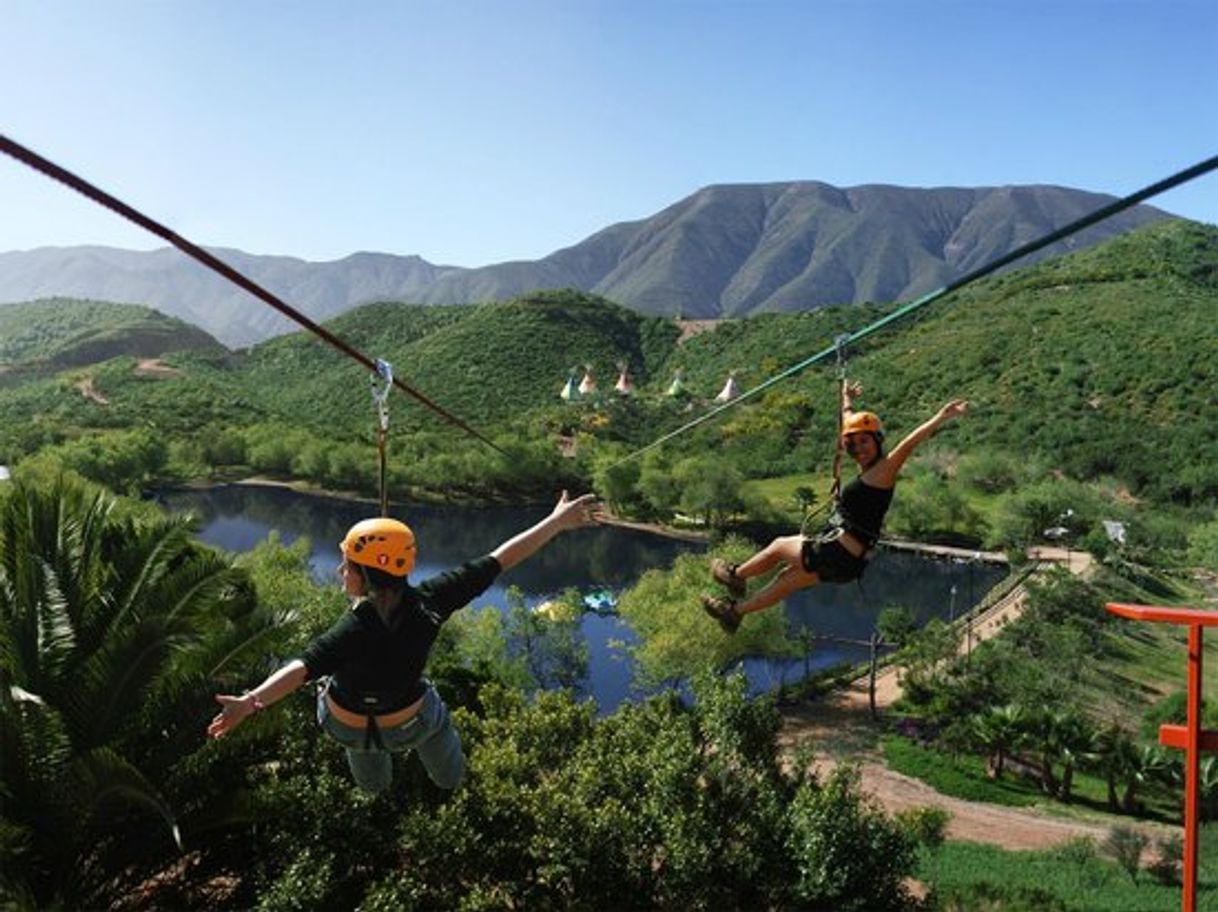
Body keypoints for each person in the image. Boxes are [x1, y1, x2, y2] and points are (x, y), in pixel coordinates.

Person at [207, 490, 601, 794]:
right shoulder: (432, 600)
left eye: (349, 564)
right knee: (434, 717)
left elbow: (301, 669)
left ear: (369, 573)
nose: (341, 570)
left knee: (362, 748)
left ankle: (375, 785)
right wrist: (556, 522)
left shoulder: (352, 629)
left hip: (345, 726)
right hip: (408, 724)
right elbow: (501, 559)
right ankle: (447, 780)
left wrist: (251, 702)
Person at [701, 383, 969, 634]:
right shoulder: (870, 471)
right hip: (846, 564)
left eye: (865, 442)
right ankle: (735, 612)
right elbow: (849, 428)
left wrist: (941, 417)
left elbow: (908, 445)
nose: (858, 448)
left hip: (837, 553)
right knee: (784, 580)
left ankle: (736, 575)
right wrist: (846, 401)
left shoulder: (884, 470)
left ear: (878, 441)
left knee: (780, 545)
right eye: (854, 444)